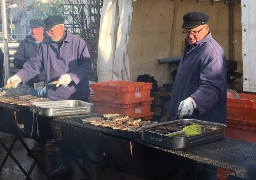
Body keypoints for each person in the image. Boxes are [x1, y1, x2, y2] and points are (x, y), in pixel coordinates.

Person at [6, 15, 92, 178]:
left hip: (77, 96)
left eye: (51, 31)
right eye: (47, 31)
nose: (48, 34)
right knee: (61, 135)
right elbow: (34, 65)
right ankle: (66, 164)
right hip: (56, 98)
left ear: (61, 27)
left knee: (79, 134)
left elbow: (87, 65)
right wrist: (19, 76)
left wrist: (71, 76)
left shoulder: (77, 42)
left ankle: (87, 167)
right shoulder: (45, 45)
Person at [168, 12, 227, 180]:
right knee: (187, 167)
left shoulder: (212, 52)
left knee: (203, 166)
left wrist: (194, 101)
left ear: (206, 28)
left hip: (205, 123)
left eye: (195, 31)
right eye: (187, 32)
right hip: (188, 122)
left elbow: (213, 86)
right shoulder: (191, 48)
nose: (191, 36)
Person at [13, 19, 49, 97]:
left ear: (43, 29)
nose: (34, 31)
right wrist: (31, 63)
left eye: (36, 28)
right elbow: (16, 61)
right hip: (32, 86)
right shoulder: (25, 43)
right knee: (33, 108)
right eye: (32, 28)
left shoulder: (50, 42)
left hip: (49, 85)